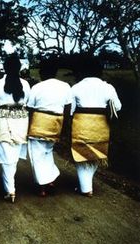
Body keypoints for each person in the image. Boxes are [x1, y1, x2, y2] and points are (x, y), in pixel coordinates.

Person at [70, 55, 122, 197]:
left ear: (82, 71)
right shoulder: (108, 87)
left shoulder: (76, 87)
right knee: (96, 155)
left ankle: (86, 188)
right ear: (99, 70)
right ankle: (85, 186)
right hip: (101, 126)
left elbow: (70, 110)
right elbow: (118, 107)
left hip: (81, 125)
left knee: (81, 155)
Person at [26, 57, 72, 197]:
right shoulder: (65, 86)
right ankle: (50, 179)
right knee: (47, 151)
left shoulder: (37, 87)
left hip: (39, 123)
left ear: (42, 72)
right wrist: (65, 128)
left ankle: (43, 186)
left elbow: (30, 109)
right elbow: (68, 108)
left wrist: (27, 127)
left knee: (37, 155)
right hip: (56, 123)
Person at [0, 54, 31, 203]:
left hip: (2, 120)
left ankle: (10, 189)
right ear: (20, 68)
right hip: (21, 120)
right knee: (13, 157)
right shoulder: (26, 84)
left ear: (4, 67)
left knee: (7, 156)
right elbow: (27, 102)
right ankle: (10, 187)